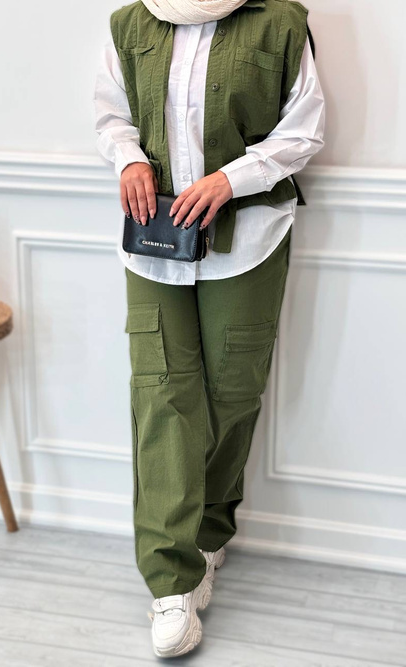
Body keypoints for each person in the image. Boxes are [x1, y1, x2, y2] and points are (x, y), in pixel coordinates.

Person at [94, 0, 325, 658]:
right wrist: (129, 159)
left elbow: (306, 129)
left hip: (249, 235)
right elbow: (110, 112)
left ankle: (207, 535)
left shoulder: (280, 22)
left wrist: (231, 179)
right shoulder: (130, 22)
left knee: (232, 390)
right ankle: (170, 582)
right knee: (162, 394)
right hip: (154, 237)